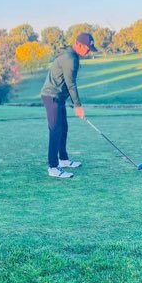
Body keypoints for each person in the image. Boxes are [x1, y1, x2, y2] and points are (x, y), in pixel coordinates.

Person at [41, 32, 97, 178]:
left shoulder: (72, 56)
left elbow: (68, 84)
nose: (88, 51)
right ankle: (53, 167)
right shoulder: (70, 58)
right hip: (51, 96)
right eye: (87, 48)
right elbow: (71, 84)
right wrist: (77, 105)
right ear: (78, 44)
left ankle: (63, 160)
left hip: (58, 97)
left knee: (63, 128)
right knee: (55, 130)